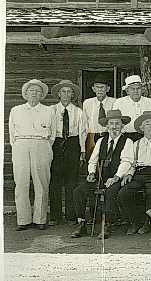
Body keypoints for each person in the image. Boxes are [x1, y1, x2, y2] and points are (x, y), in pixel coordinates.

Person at [71, 110, 133, 239]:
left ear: (122, 126)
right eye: (111, 124)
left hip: (117, 177)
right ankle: (81, 223)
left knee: (110, 192)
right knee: (79, 191)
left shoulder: (127, 141)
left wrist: (116, 177)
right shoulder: (101, 141)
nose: (114, 126)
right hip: (100, 178)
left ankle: (108, 225)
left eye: (117, 124)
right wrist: (92, 173)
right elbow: (93, 159)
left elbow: (127, 161)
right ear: (107, 126)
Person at [9, 79, 56, 231]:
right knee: (21, 182)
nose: (34, 93)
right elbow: (12, 134)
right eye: (31, 90)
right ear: (26, 93)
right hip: (21, 144)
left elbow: (52, 134)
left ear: (42, 94)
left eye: (38, 91)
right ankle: (23, 220)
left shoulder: (48, 111)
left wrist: (44, 145)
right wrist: (19, 145)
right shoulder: (16, 110)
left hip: (41, 144)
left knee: (41, 182)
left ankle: (40, 219)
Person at [116, 111, 151, 235]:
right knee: (124, 193)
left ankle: (147, 223)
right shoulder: (136, 144)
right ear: (142, 128)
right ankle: (134, 223)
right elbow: (132, 162)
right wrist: (129, 174)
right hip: (138, 174)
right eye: (148, 124)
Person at [49, 79, 88, 225]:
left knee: (71, 181)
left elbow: (82, 133)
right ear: (58, 94)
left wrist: (82, 151)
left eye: (69, 92)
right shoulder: (51, 110)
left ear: (72, 95)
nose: (66, 94)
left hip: (73, 144)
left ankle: (71, 215)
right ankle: (55, 216)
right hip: (56, 143)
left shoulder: (78, 112)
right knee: (55, 181)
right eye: (63, 92)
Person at [112, 75, 151, 142]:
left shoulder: (149, 102)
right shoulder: (119, 102)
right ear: (127, 91)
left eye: (138, 88)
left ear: (142, 90)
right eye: (132, 89)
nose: (136, 91)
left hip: (145, 137)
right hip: (126, 137)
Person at [82, 75, 117, 160]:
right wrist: (82, 147)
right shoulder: (87, 103)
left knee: (107, 163)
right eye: (97, 87)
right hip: (92, 137)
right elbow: (84, 125)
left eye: (102, 87)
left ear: (108, 89)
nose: (100, 90)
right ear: (93, 89)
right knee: (93, 164)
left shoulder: (115, 102)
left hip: (109, 136)